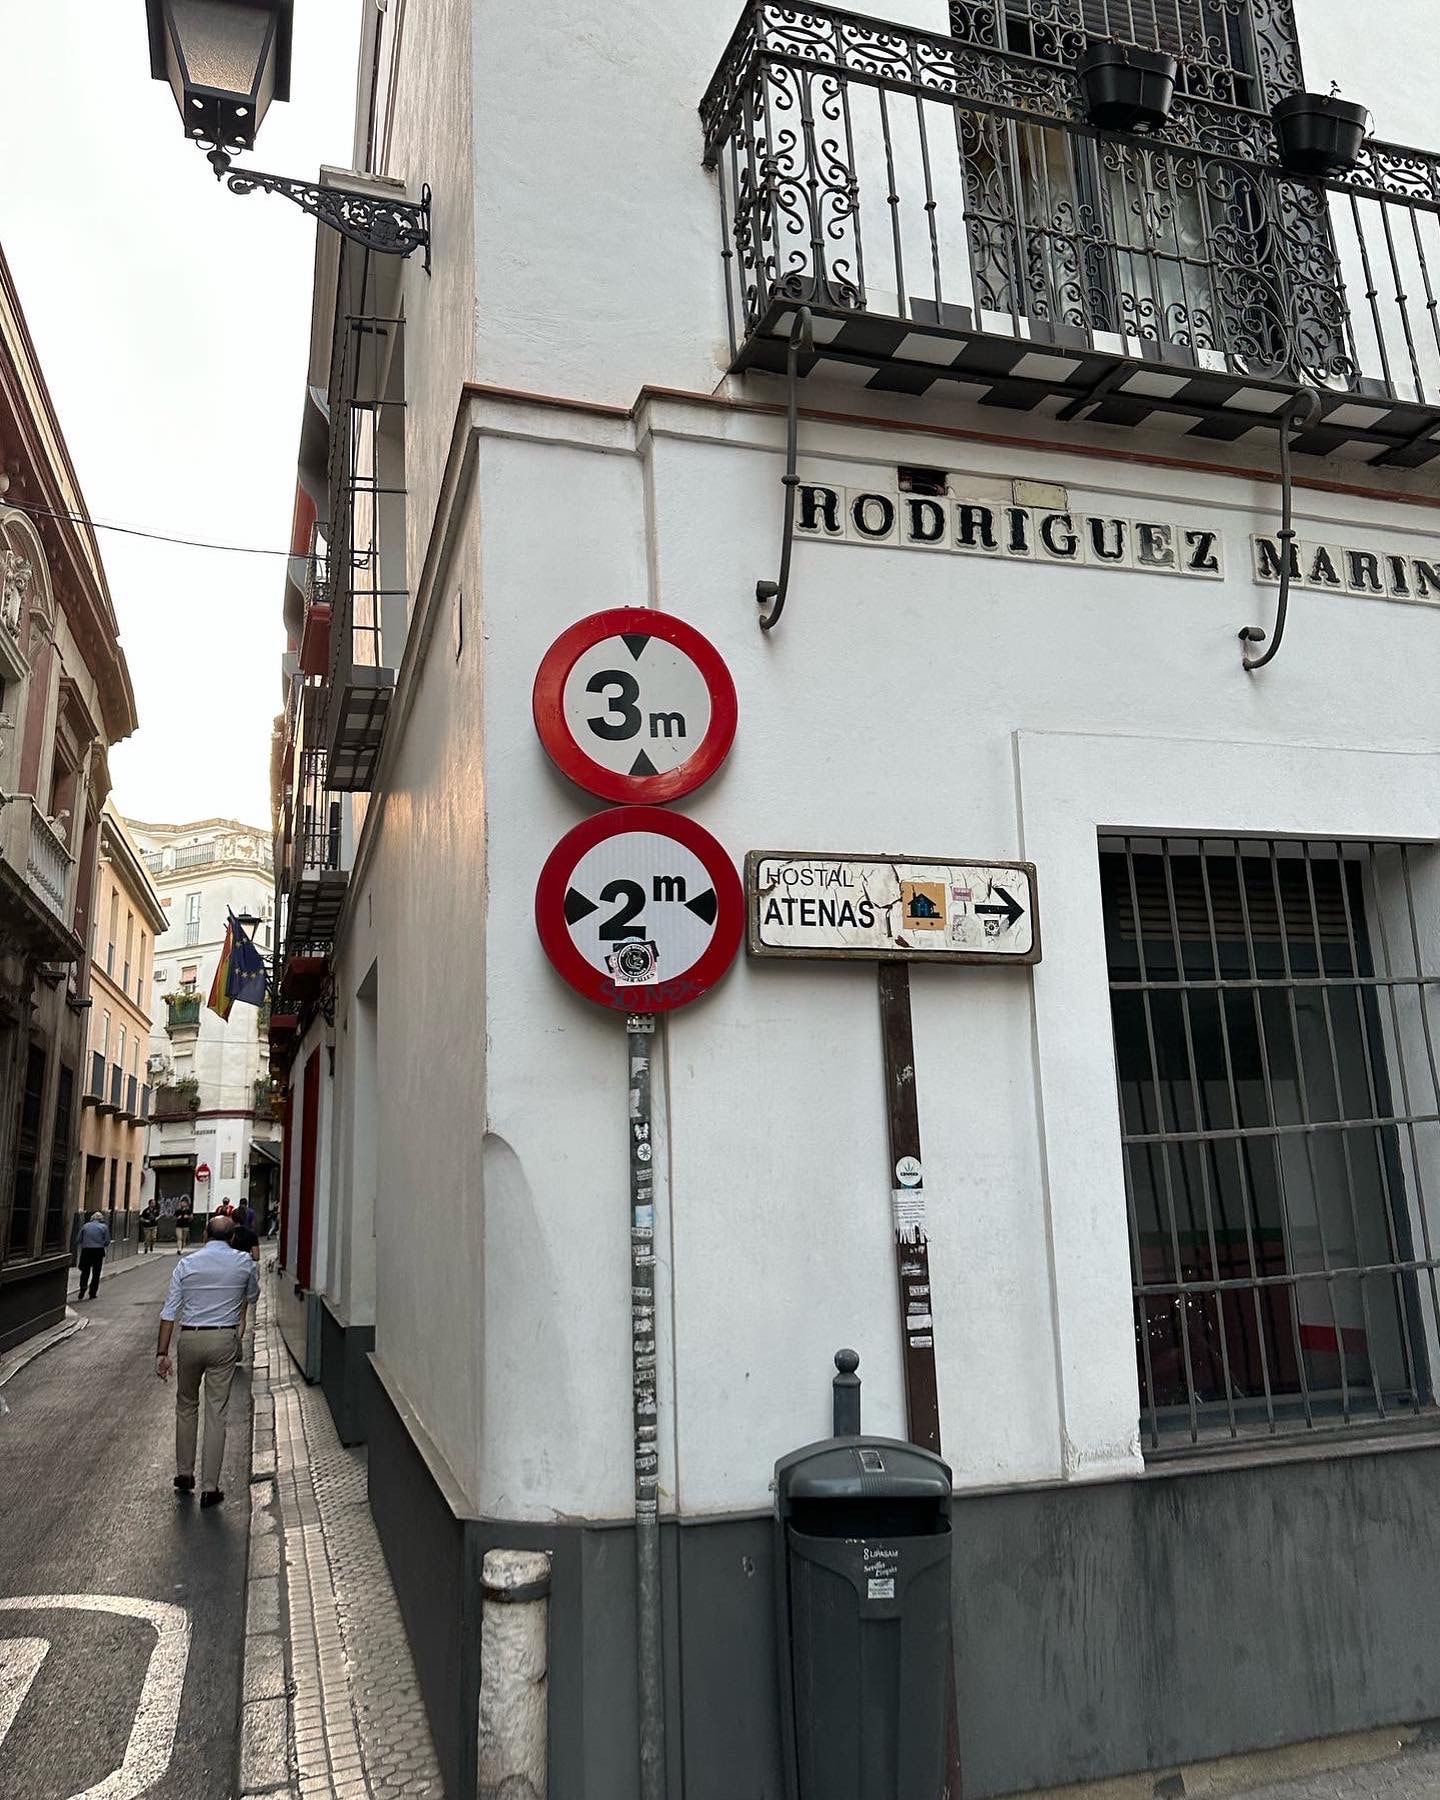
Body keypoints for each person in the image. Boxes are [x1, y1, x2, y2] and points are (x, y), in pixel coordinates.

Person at [154, 1214, 258, 1508]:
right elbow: (252, 1294)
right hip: (223, 1340)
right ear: (233, 1238)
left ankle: (184, 1473)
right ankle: (210, 1488)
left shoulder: (186, 1264)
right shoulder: (243, 1263)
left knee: (186, 1405)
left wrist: (162, 1353)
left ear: (204, 1237)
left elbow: (169, 1311)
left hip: (190, 1338)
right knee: (217, 1411)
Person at [75, 1211, 110, 1300]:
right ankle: (92, 1293)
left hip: (86, 1251)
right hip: (98, 1251)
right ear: (101, 1219)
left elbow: (78, 1239)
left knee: (85, 1271)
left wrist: (85, 1243)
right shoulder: (104, 1227)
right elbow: (107, 1241)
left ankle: (82, 1288)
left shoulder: (85, 1226)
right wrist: (101, 1244)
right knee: (96, 1273)